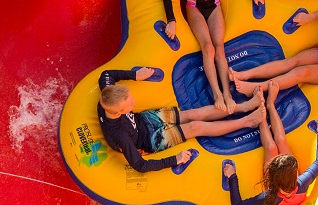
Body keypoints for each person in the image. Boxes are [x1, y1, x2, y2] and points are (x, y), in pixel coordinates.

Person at [161, 0, 263, 114]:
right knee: (208, 48)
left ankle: (227, 93)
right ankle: (217, 94)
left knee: (219, 48)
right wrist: (171, 20)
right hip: (194, 9)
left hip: (214, 7)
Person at [98, 68, 263, 173]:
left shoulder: (107, 95)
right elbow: (140, 165)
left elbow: (106, 74)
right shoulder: (120, 135)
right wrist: (174, 160)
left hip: (145, 120)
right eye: (129, 104)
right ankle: (247, 121)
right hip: (150, 140)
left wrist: (135, 75)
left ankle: (244, 107)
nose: (134, 102)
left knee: (194, 114)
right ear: (119, 112)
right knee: (195, 127)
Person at [222, 80, 318, 205]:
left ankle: (260, 108)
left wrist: (232, 176)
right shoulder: (302, 182)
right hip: (284, 184)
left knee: (271, 147)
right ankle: (270, 105)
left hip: (277, 186)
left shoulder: (270, 196)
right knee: (280, 140)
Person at [230, 0, 318, 99]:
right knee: (291, 62)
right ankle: (246, 74)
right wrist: (309, 17)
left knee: (301, 72)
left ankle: (257, 87)